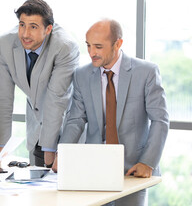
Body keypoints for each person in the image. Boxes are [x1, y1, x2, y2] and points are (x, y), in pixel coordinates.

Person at [54, 19, 169, 205]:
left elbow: (160, 120)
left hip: (133, 169)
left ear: (118, 44)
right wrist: (62, 154)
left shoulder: (146, 72)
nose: (91, 53)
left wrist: (148, 162)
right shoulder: (82, 75)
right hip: (94, 169)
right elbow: (75, 119)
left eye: (98, 47)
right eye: (88, 45)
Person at [0, 0, 80, 167]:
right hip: (38, 130)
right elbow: (2, 99)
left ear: (48, 29)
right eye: (22, 24)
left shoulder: (64, 47)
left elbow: (57, 99)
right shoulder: (5, 44)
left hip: (67, 130)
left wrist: (50, 155)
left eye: (33, 27)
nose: (25, 34)